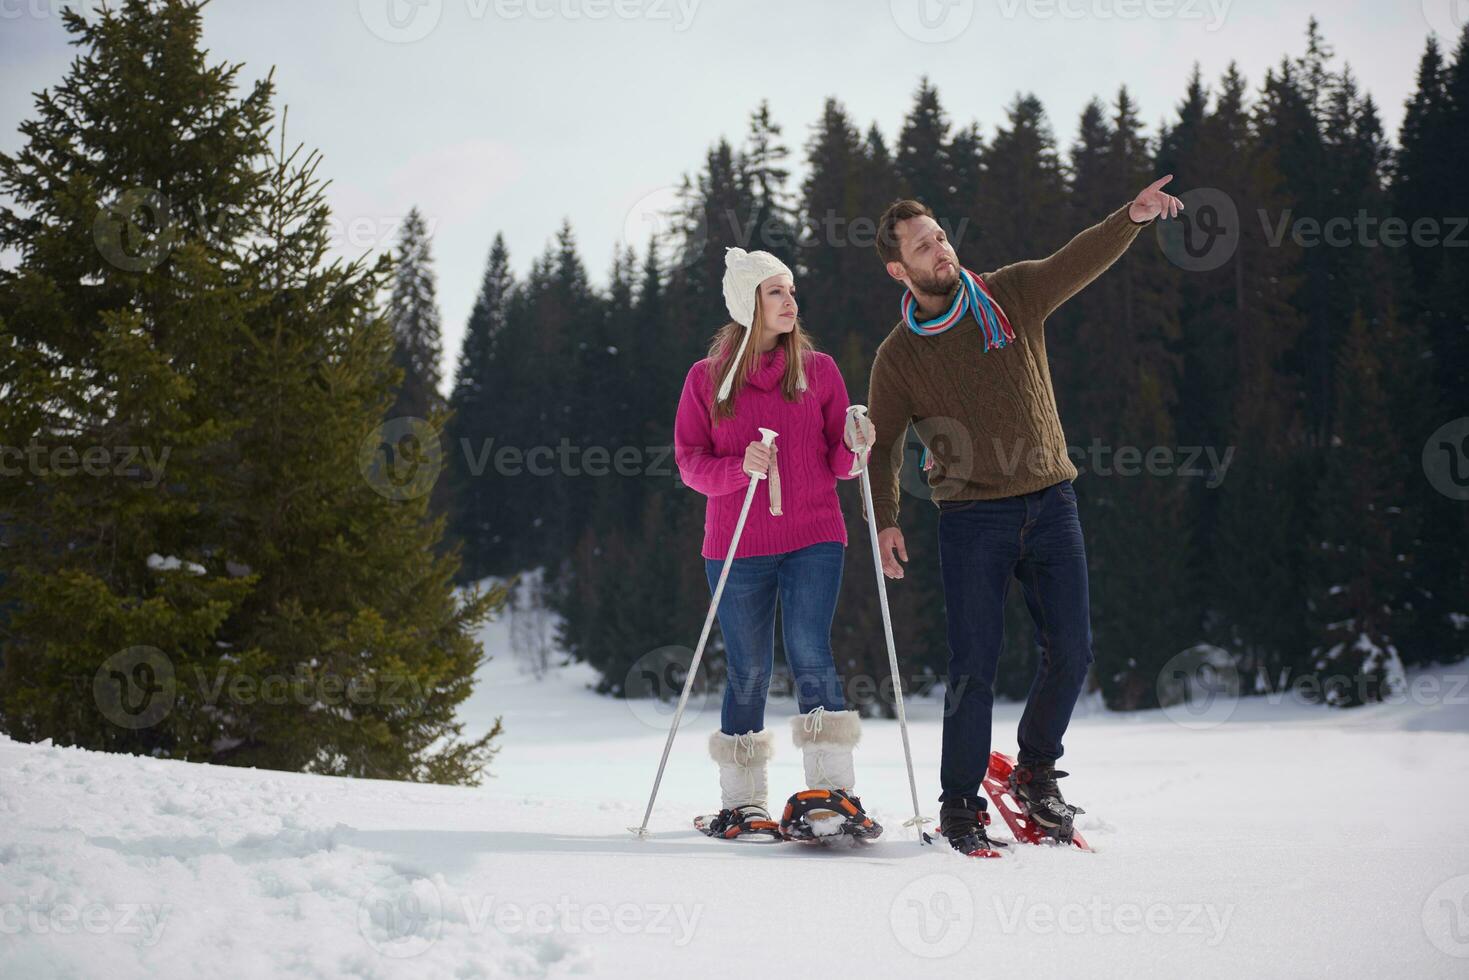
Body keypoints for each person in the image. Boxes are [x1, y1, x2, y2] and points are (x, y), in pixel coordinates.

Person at [864, 177, 1184, 855]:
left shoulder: (1009, 294)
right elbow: (885, 443)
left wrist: (1129, 216)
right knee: (972, 667)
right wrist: (886, 520)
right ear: (899, 268)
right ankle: (958, 803)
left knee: (1071, 651)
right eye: (923, 246)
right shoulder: (897, 356)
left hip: (1049, 501)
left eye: (941, 236)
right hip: (970, 517)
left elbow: (1074, 260)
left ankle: (1035, 770)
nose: (940, 249)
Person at [673, 246, 878, 841]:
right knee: (748, 670)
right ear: (747, 304)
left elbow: (841, 463)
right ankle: (743, 802)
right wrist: (741, 467)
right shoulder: (705, 380)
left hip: (813, 533)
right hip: (736, 545)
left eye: (790, 291)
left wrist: (857, 443)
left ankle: (830, 793)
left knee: (811, 650)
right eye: (775, 292)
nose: (790, 302)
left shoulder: (820, 370)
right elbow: (690, 462)